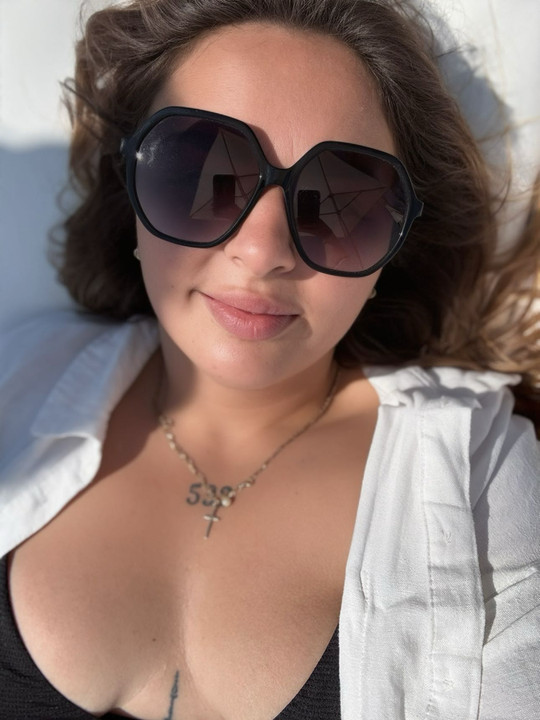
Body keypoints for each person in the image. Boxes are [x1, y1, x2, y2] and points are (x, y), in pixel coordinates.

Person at [0, 0, 539, 718]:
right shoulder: (15, 377)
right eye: (200, 170)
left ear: (395, 248)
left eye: (340, 201)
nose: (262, 251)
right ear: (128, 185)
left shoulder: (482, 472)